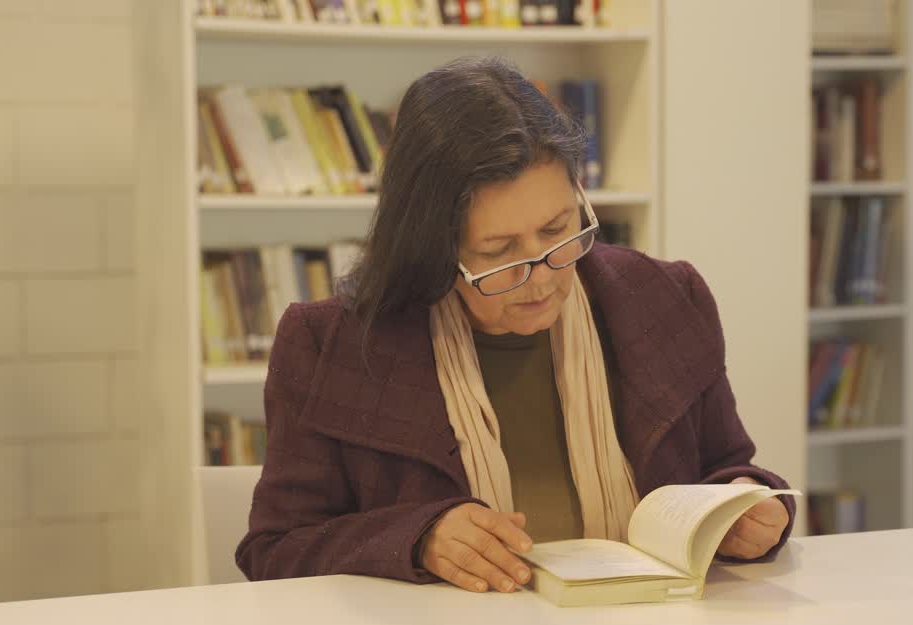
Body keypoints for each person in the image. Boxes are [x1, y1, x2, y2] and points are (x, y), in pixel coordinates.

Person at [236, 57, 795, 594]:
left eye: (557, 230)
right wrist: (416, 540)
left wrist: (749, 507)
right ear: (434, 247)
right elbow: (276, 549)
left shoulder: (666, 299)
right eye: (500, 253)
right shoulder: (331, 344)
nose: (541, 278)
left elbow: (728, 468)